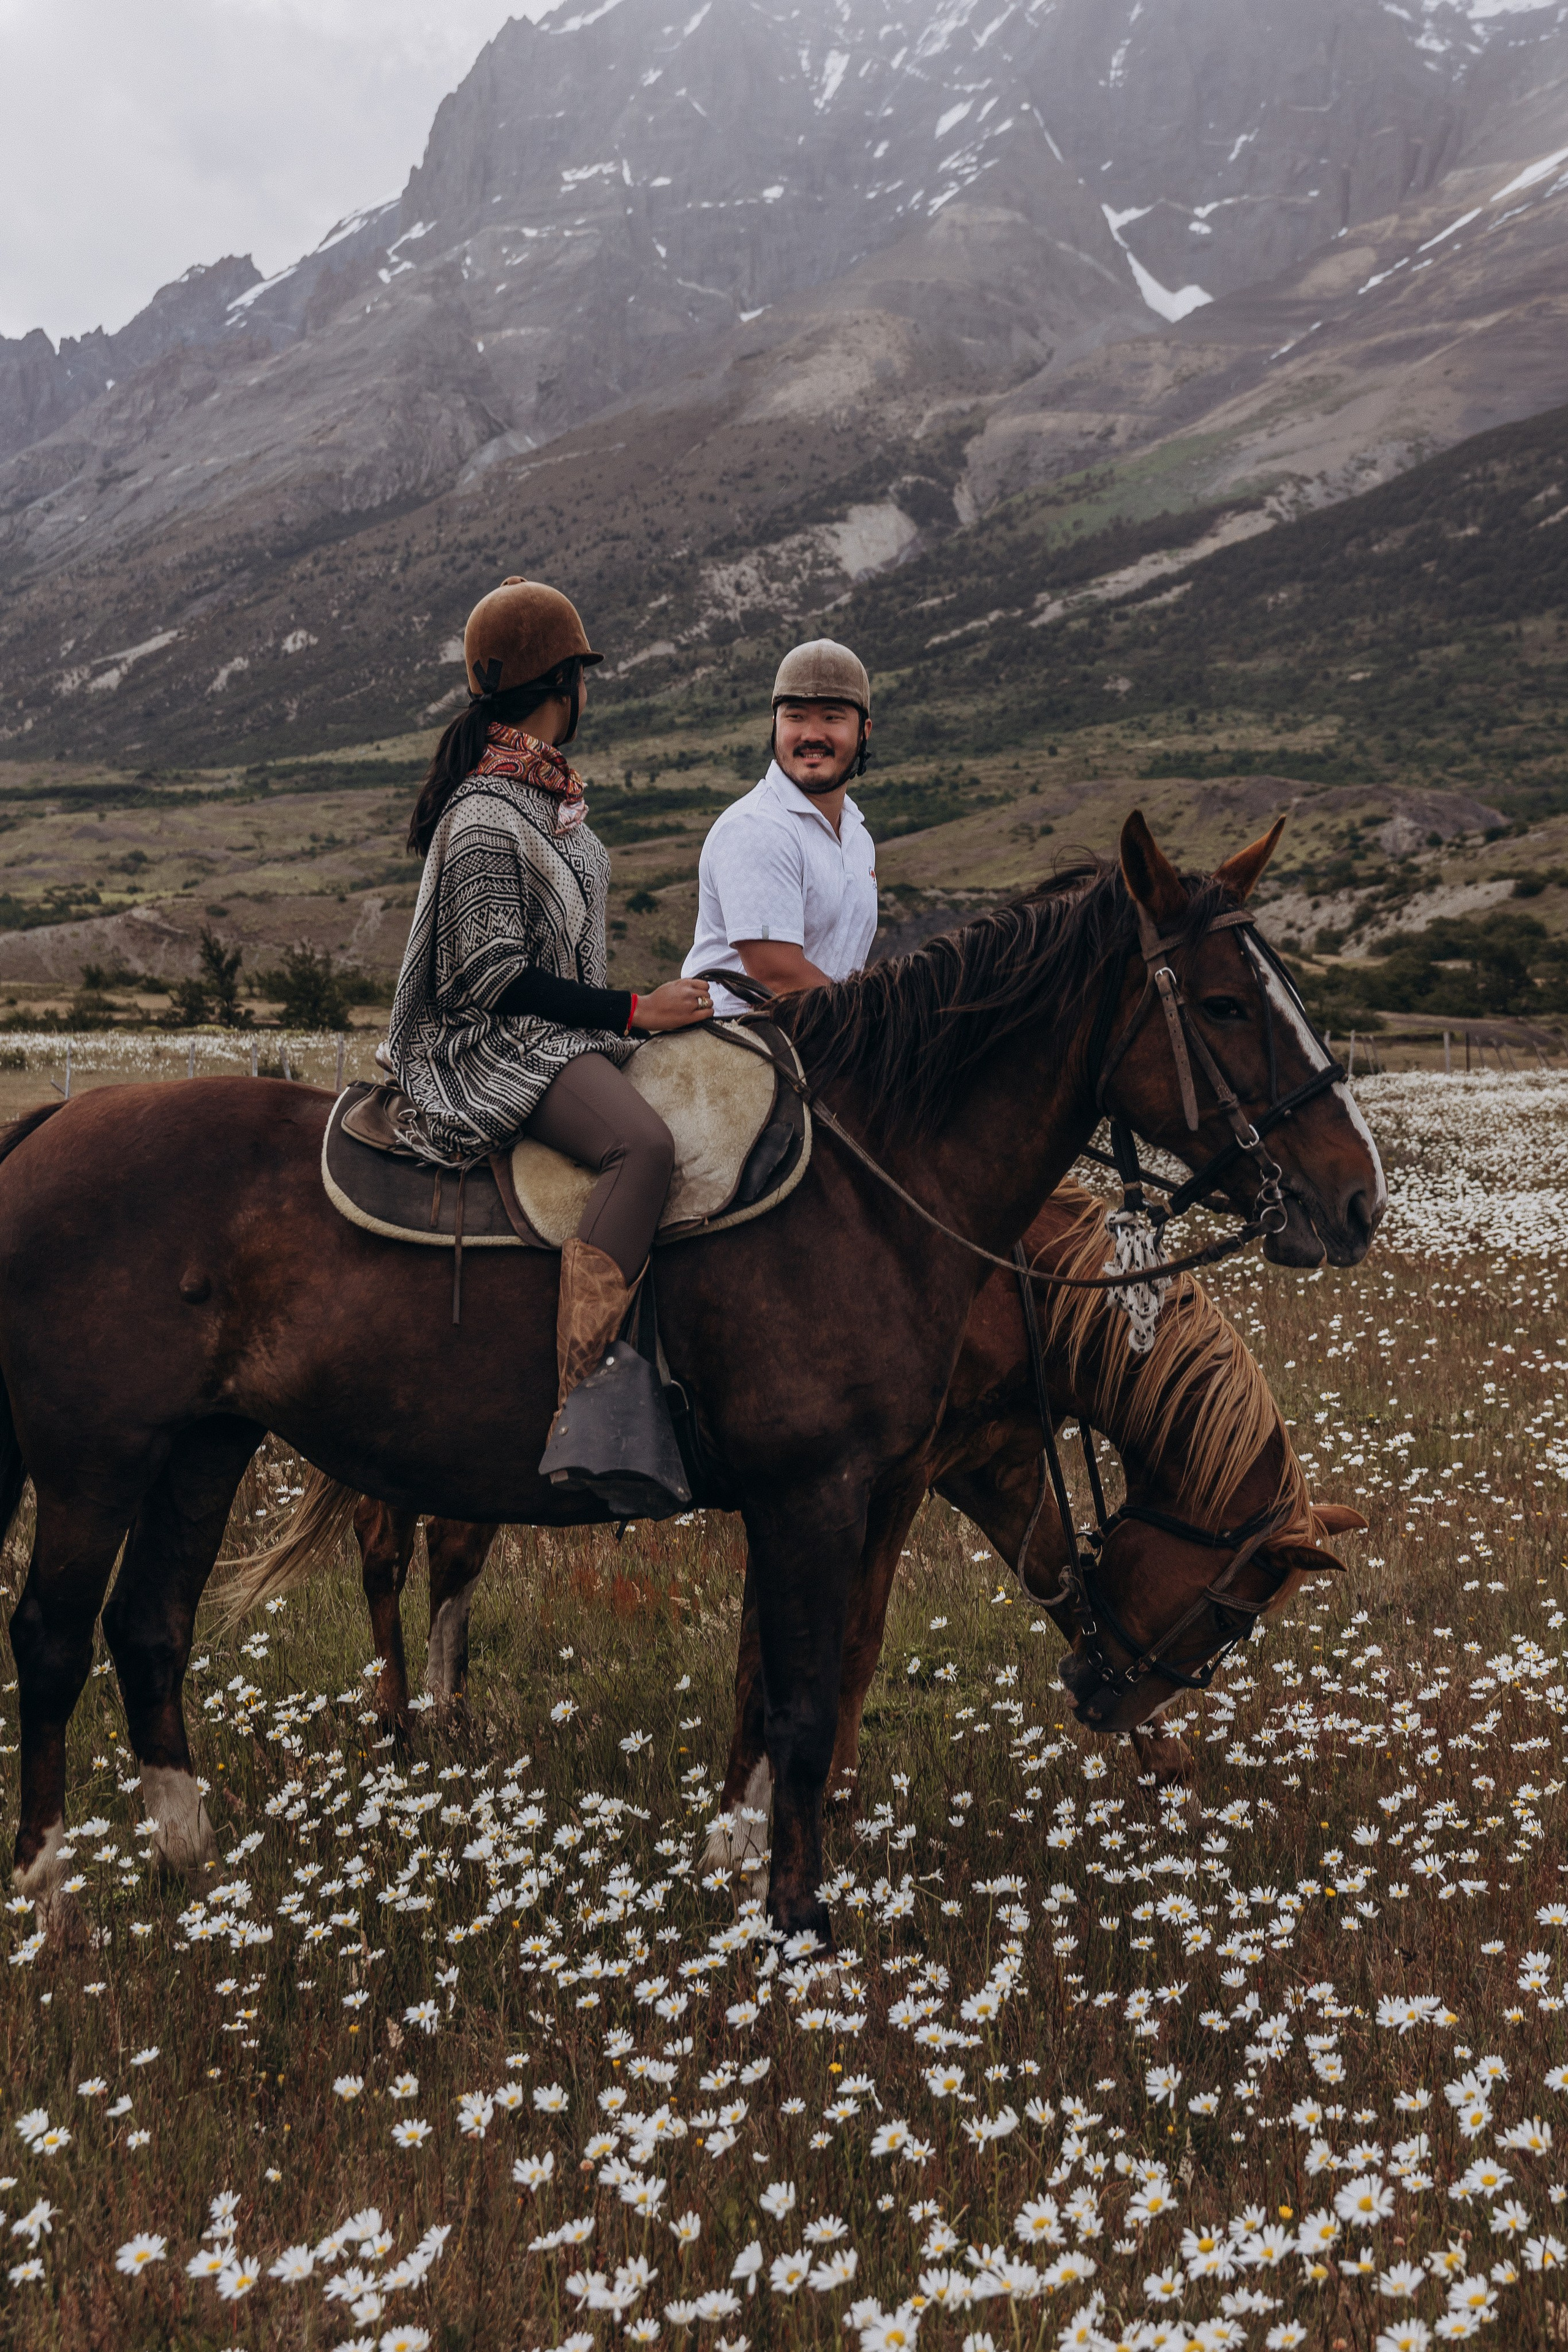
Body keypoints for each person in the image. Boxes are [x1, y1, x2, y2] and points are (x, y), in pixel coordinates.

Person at [388, 576, 711, 1494]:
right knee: (641, 1146)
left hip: (551, 1033)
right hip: (486, 1045)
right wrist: (635, 1011)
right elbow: (488, 980)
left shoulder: (551, 803)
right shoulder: (490, 814)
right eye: (581, 676)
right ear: (566, 681)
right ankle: (589, 1403)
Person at [683, 639, 878, 1014]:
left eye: (832, 717)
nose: (811, 735)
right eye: (796, 716)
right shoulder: (757, 827)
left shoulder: (858, 838)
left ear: (864, 731)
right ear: (775, 725)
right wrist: (878, 1016)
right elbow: (776, 977)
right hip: (739, 1041)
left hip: (825, 1034)